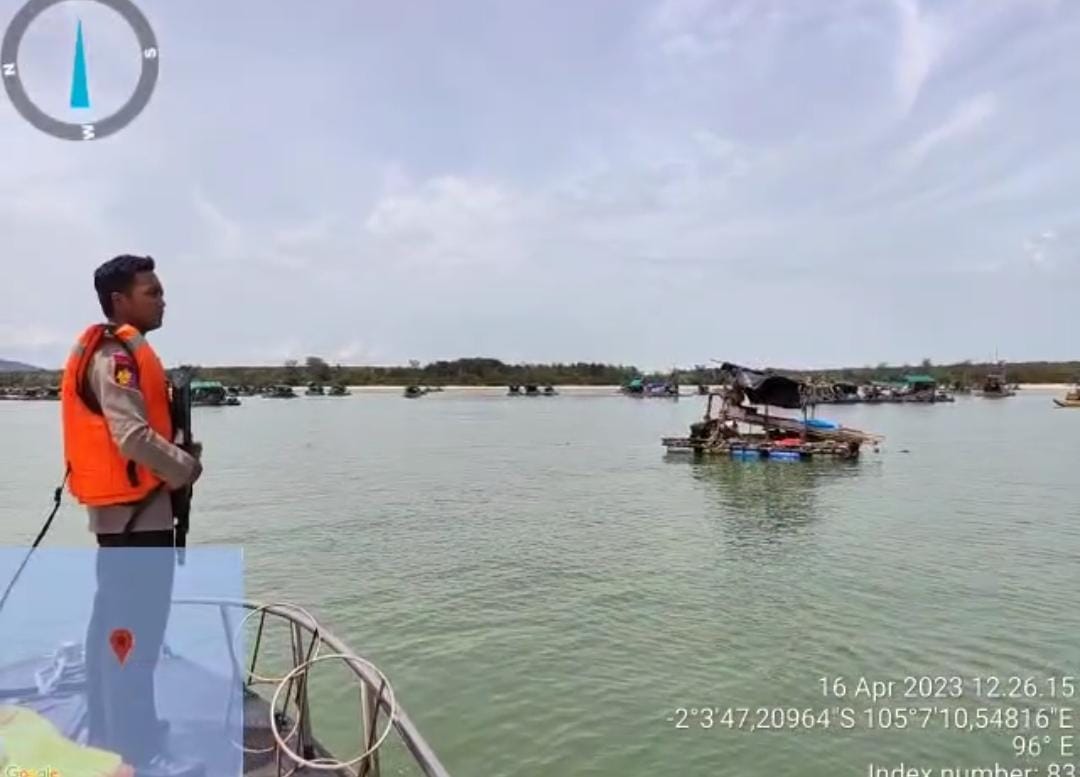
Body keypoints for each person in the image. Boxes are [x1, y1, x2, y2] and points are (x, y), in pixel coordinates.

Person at [59, 255, 204, 777]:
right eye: (152, 291)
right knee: (132, 638)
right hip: (134, 521)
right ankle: (134, 751)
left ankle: (113, 738)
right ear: (120, 300)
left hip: (127, 518)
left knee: (114, 634)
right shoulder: (115, 357)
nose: (162, 299)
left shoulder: (115, 351)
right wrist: (186, 467)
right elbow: (132, 437)